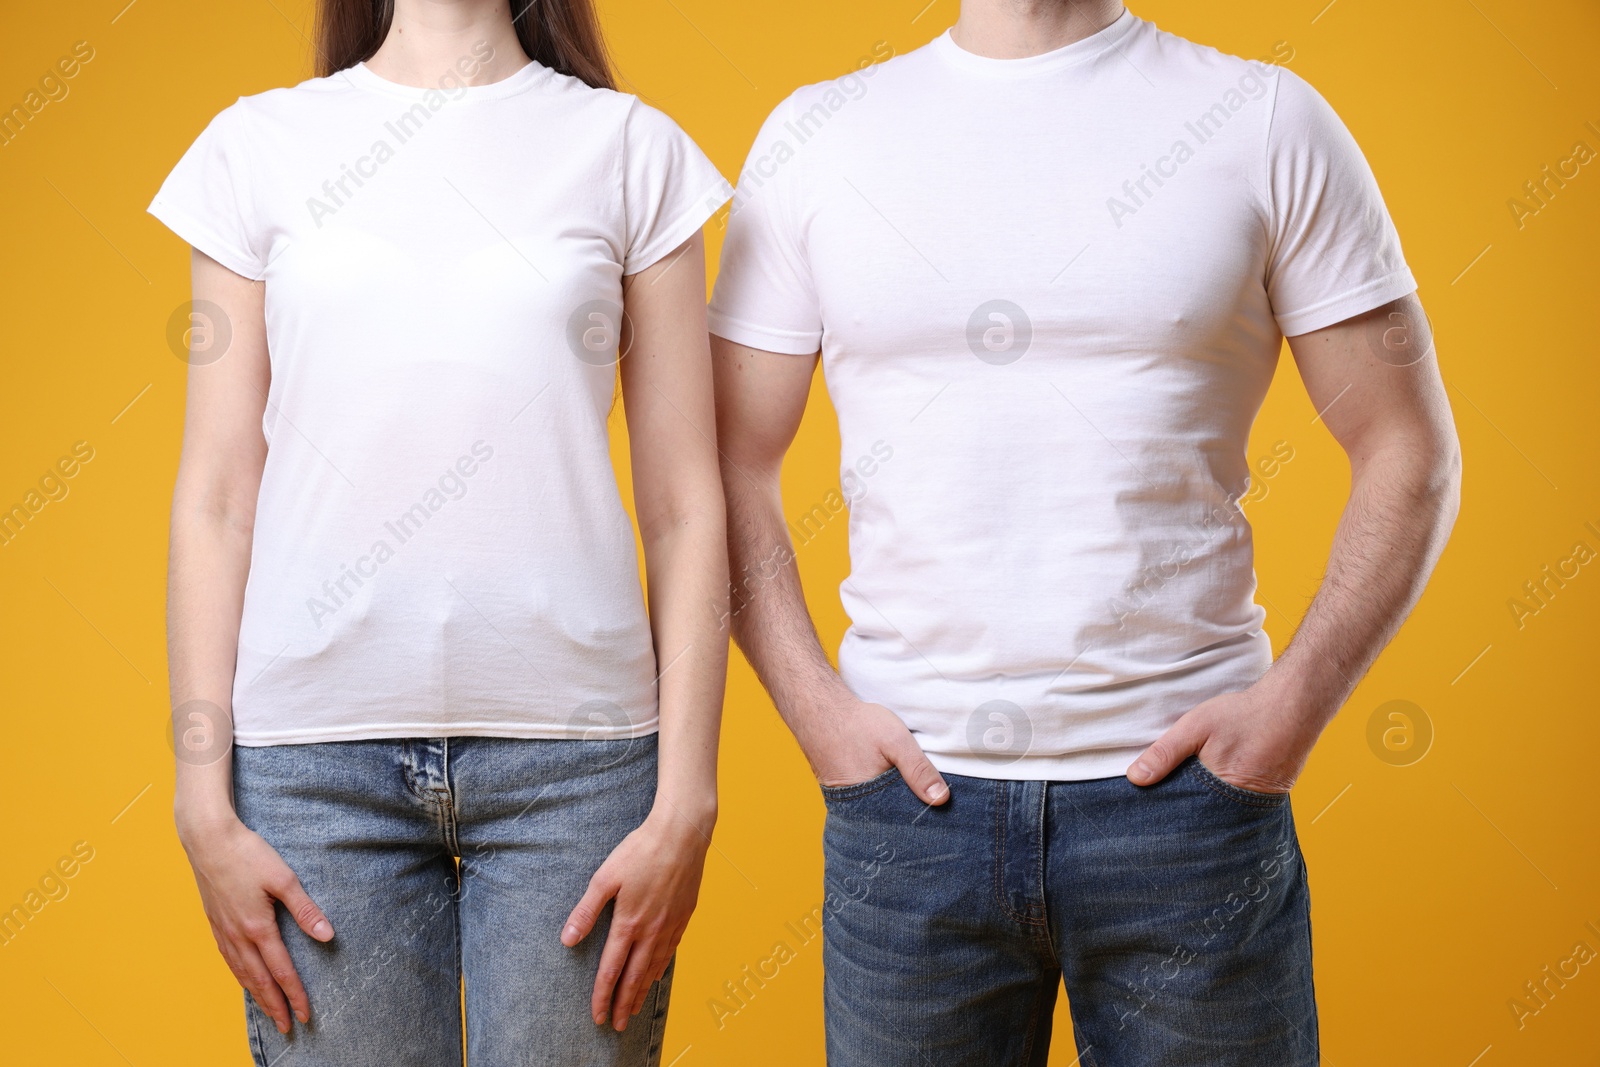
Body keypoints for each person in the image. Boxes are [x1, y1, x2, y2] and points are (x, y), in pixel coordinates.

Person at [708, 2, 1460, 1064]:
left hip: (1190, 812)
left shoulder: (1263, 121)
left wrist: (1292, 706)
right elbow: (727, 463)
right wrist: (816, 708)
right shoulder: (816, 136)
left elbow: (1407, 451)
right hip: (908, 812)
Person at [151, 1, 731, 1064]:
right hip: (311, 772)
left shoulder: (629, 150)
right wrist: (201, 797)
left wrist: (688, 795)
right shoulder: (256, 148)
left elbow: (687, 504)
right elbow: (217, 494)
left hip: (579, 769)